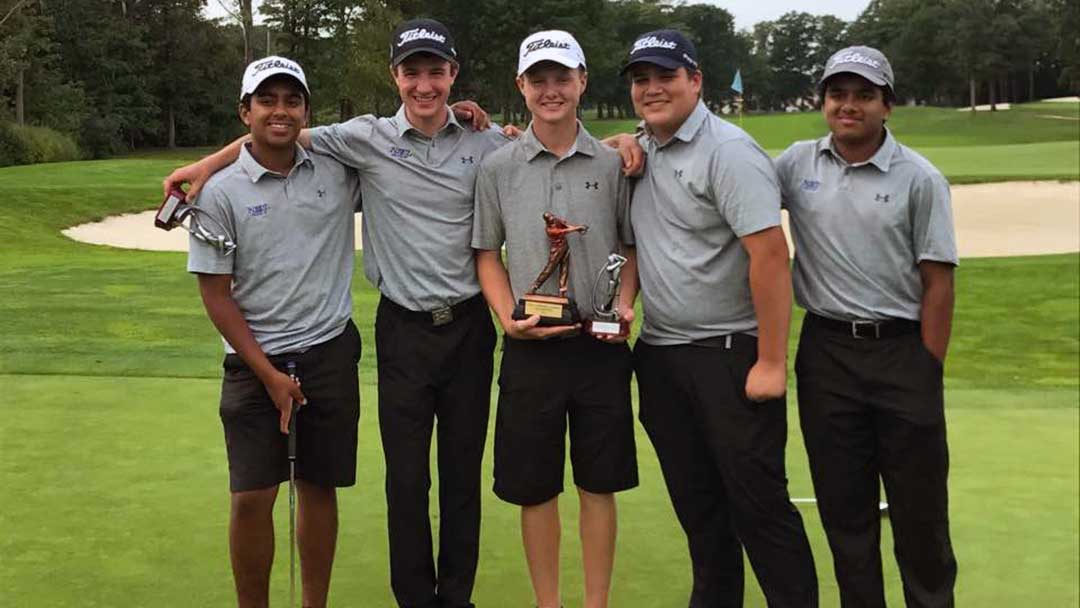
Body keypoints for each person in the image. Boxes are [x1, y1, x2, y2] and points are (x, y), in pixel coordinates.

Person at [621, 29, 819, 607]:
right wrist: (617, 143)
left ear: (696, 80)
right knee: (700, 510)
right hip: (661, 356)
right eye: (641, 80)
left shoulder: (729, 152)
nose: (653, 89)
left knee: (759, 509)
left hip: (730, 358)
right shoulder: (642, 147)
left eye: (666, 76)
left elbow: (770, 254)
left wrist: (771, 361)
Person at [775, 46, 958, 608]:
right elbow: (723, 174)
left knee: (918, 510)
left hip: (901, 352)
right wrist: (628, 140)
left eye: (863, 95)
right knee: (845, 509)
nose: (848, 105)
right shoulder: (795, 165)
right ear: (823, 101)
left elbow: (939, 283)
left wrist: (926, 369)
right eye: (838, 94)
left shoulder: (919, 178)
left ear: (887, 105)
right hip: (826, 353)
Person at [472, 30, 639, 608]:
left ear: (582, 81)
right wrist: (504, 317)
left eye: (561, 78)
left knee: (599, 483)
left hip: (600, 346)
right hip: (529, 346)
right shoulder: (498, 167)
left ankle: (596, 603)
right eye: (537, 79)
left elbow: (630, 247)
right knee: (534, 487)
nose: (550, 90)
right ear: (521, 86)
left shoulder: (616, 163)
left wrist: (625, 304)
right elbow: (485, 252)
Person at [187, 55, 362, 608]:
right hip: (252, 362)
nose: (279, 111)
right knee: (251, 497)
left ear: (306, 111)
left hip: (329, 351)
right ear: (246, 111)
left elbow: (406, 139)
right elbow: (215, 294)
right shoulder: (218, 192)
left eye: (291, 100)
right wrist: (267, 374)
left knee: (318, 487)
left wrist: (467, 114)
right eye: (267, 100)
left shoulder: (336, 170)